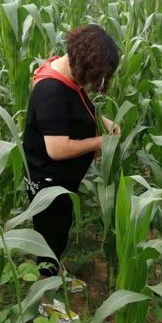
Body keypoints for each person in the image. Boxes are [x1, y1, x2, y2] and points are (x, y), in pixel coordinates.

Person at [23, 24, 120, 283]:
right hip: (47, 182)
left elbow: (76, 110)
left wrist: (104, 121)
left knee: (59, 233)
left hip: (62, 182)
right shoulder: (51, 91)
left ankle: (55, 275)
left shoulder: (67, 75)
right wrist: (99, 142)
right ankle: (46, 297)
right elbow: (57, 149)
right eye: (93, 75)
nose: (91, 82)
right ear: (85, 64)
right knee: (49, 239)